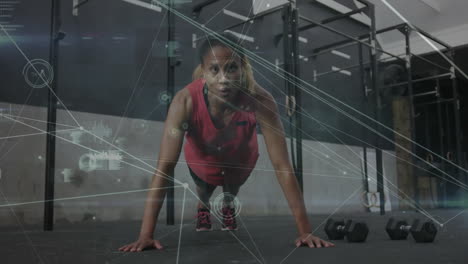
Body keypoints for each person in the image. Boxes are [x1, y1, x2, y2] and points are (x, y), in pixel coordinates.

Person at [119, 33, 334, 252]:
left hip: (240, 159)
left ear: (242, 69)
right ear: (203, 71)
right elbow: (164, 166)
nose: (224, 79)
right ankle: (203, 207)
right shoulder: (184, 101)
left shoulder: (261, 100)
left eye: (231, 68)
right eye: (214, 70)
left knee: (231, 190)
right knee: (204, 189)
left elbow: (283, 166)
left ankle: (227, 207)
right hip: (203, 160)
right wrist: (145, 235)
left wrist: (305, 231)